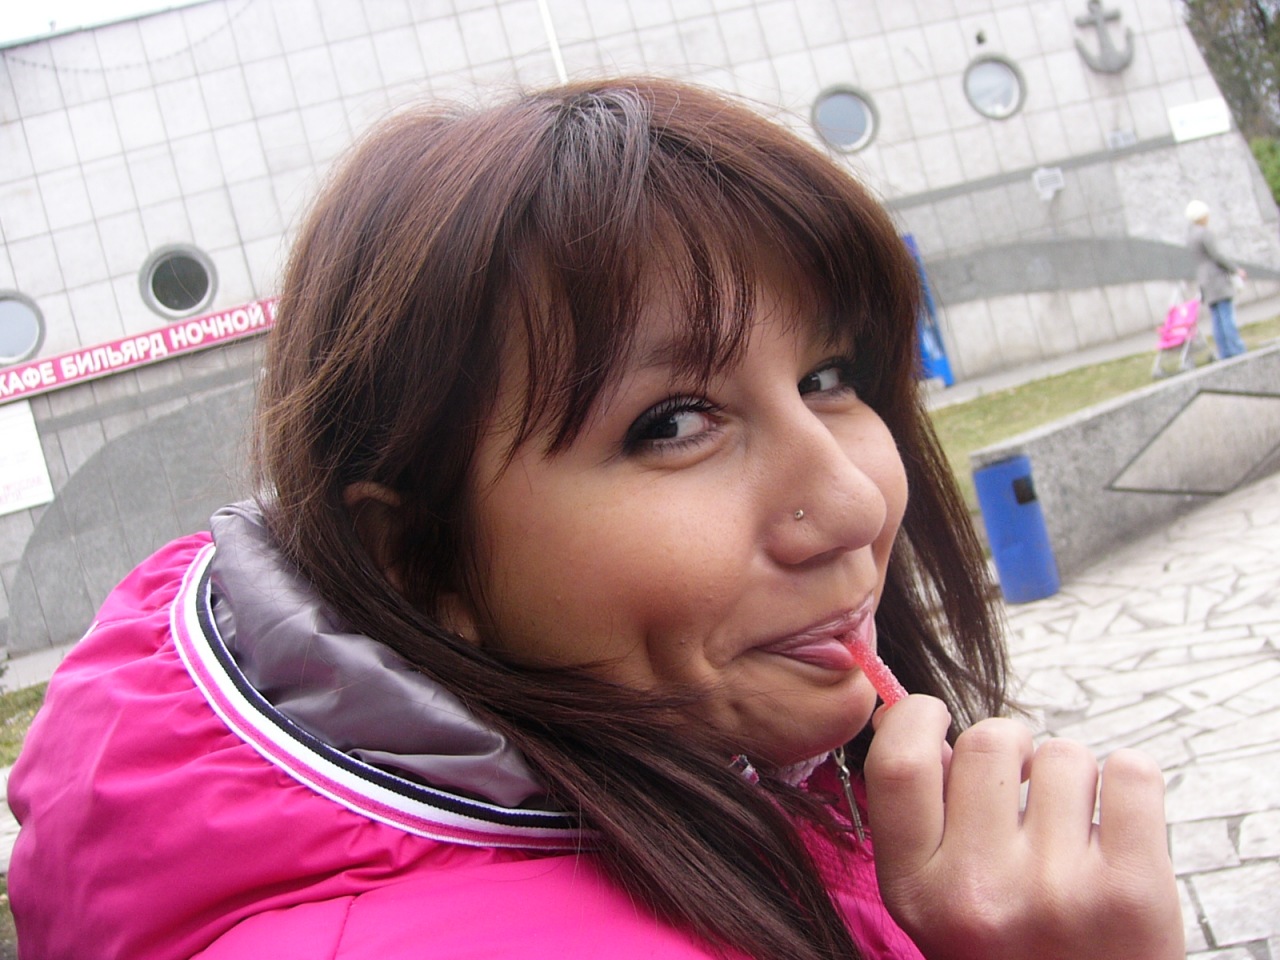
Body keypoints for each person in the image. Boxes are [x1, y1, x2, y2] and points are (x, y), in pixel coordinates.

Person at [9, 78, 1182, 960]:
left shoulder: (726, 768)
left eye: (828, 376)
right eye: (673, 423)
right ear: (417, 559)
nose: (850, 501)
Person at [1186, 198, 1249, 359]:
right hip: (1216, 277)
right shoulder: (1204, 233)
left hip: (1204, 279)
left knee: (1216, 317)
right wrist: (1235, 270)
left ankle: (1224, 350)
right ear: (1202, 216)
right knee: (1226, 314)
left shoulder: (1191, 235)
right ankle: (1235, 347)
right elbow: (1217, 256)